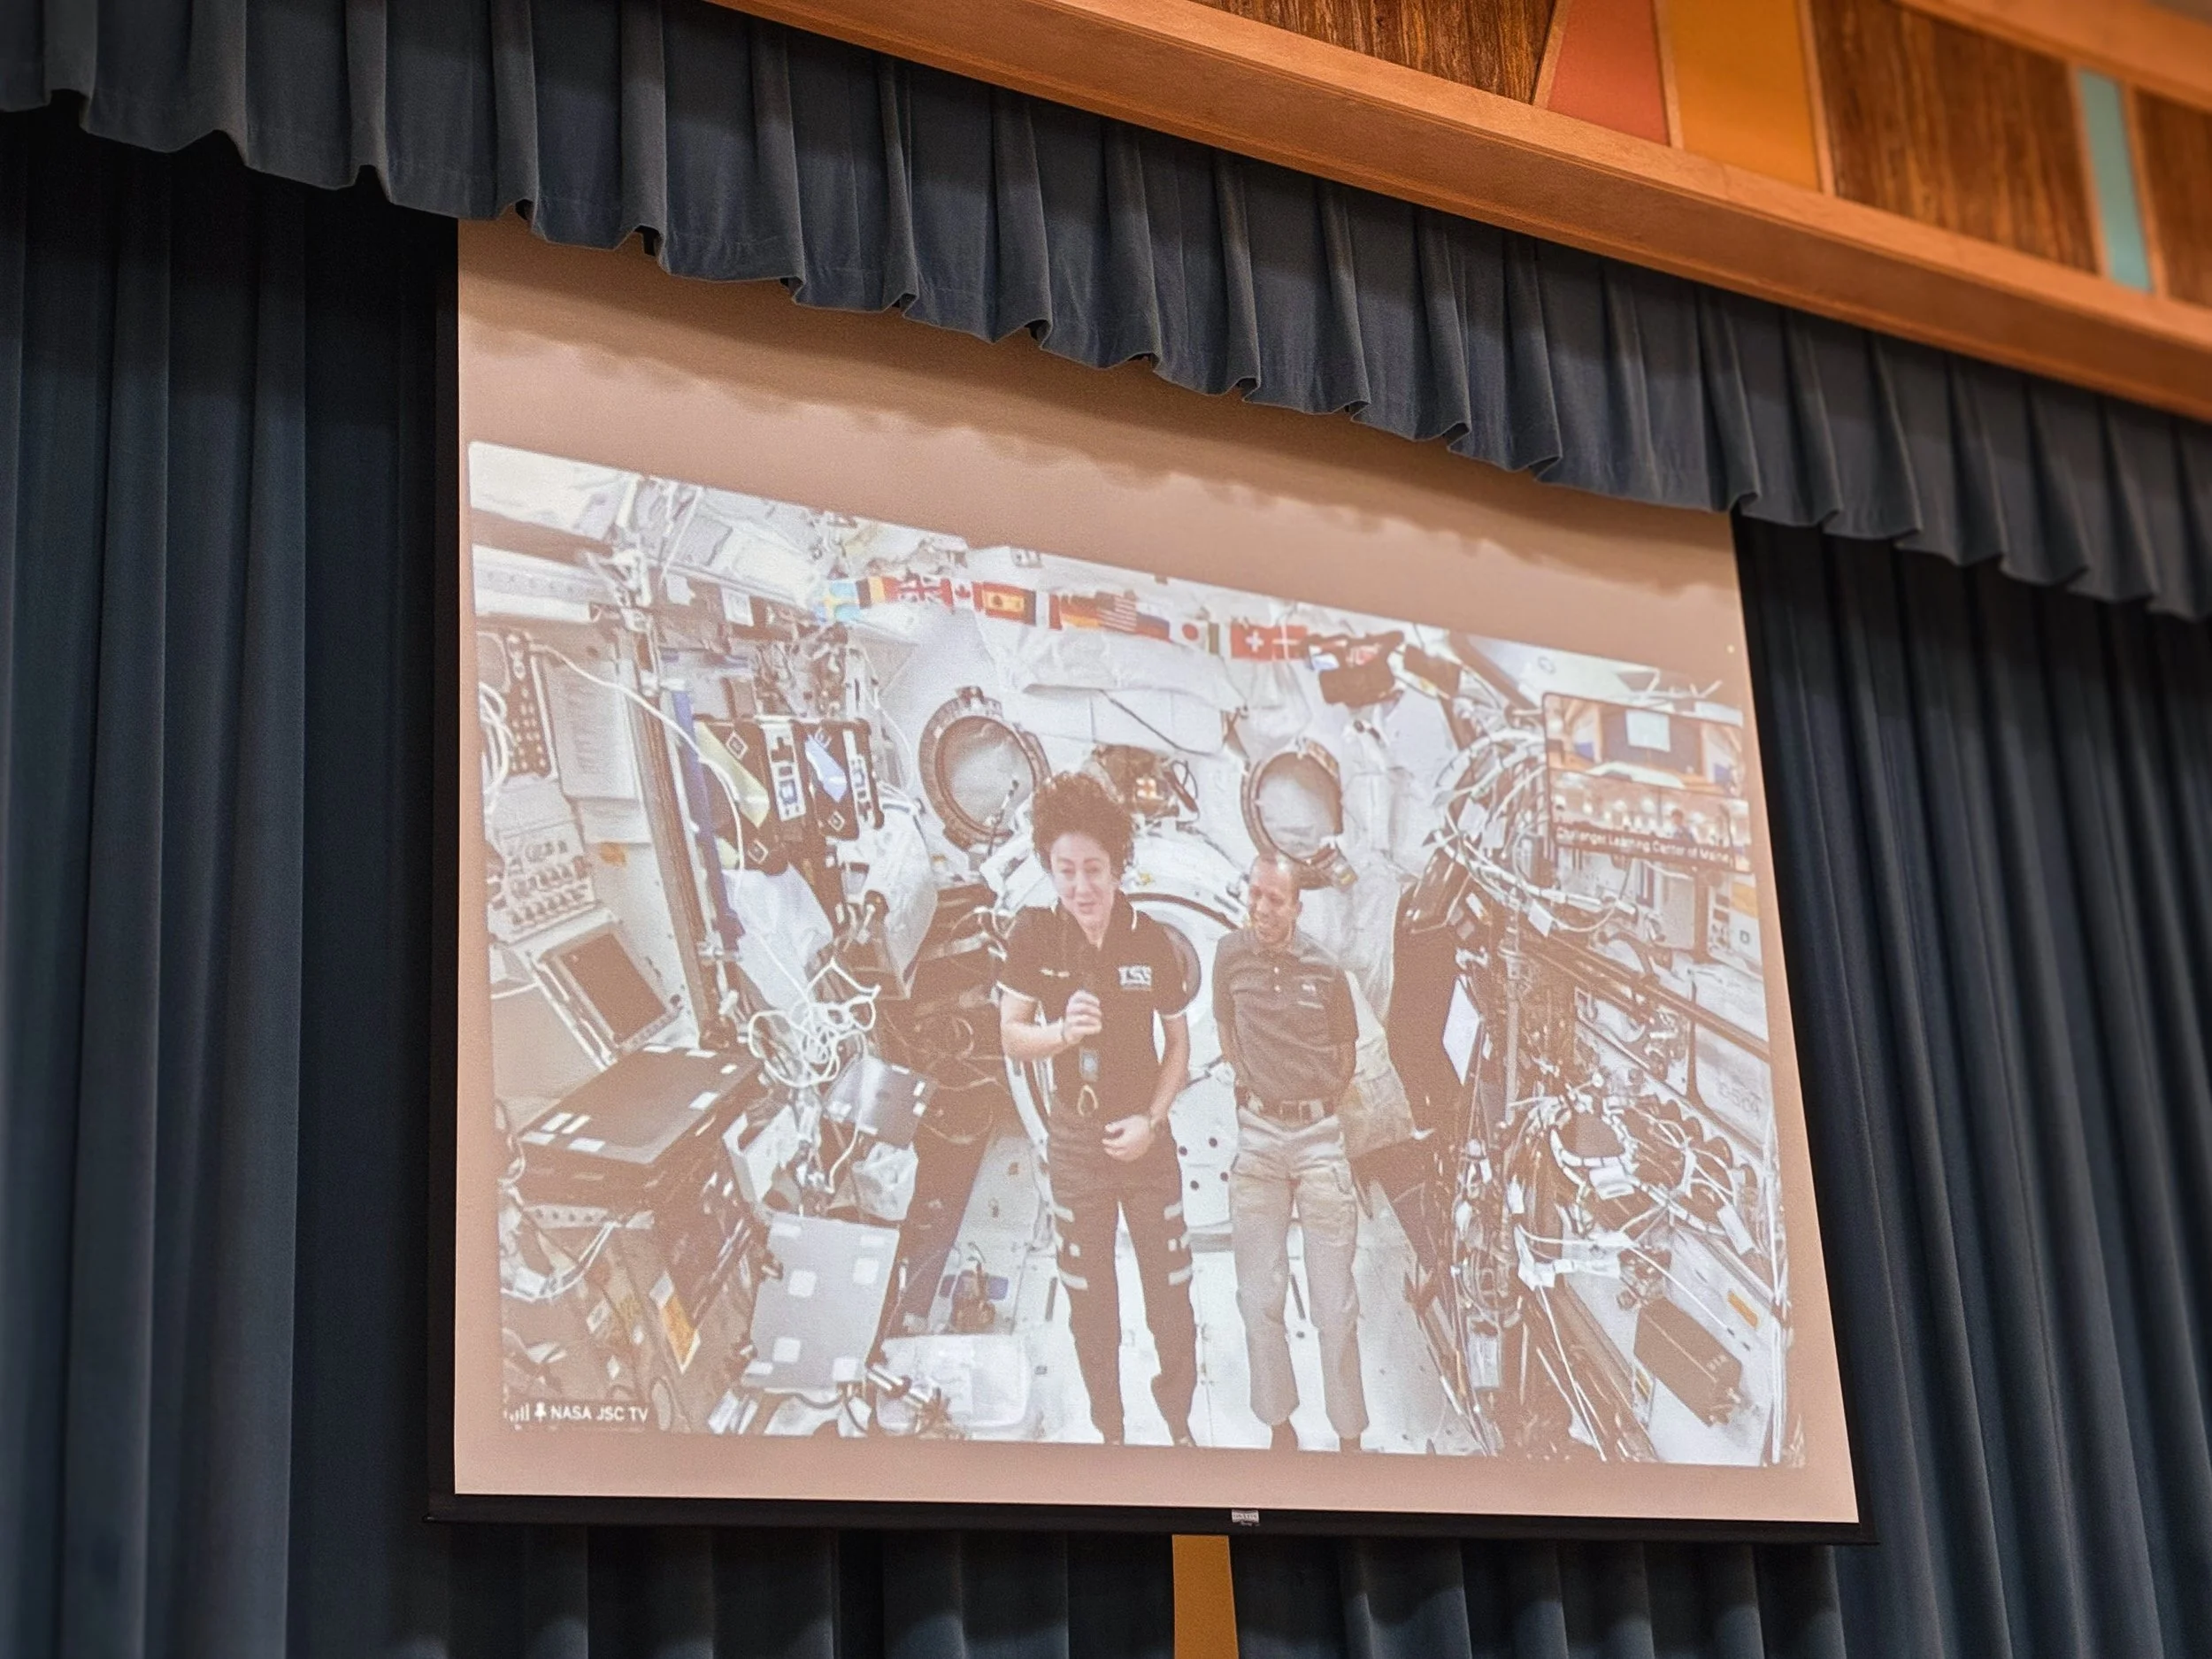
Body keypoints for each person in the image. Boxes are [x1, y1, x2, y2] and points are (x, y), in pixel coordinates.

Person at [998, 772, 1201, 1445]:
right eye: (1066, 870)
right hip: (1077, 1142)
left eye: (1093, 869)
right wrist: (1062, 1032)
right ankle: (1110, 1431)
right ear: (1049, 867)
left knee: (1170, 1294)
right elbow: (1011, 1034)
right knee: (1091, 1301)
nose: (1081, 886)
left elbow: (1178, 1044)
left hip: (1143, 1140)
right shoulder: (1033, 936)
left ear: (1118, 865)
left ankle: (1178, 1421)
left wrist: (1154, 1120)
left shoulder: (1152, 942)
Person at [1213, 851, 1368, 1452]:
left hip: (1319, 1138)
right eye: (1255, 894)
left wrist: (1309, 1101)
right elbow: (1228, 1032)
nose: (1261, 907)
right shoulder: (1229, 956)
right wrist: (1259, 1090)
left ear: (1297, 907)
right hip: (1258, 1138)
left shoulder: (1325, 971)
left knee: (1335, 1302)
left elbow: (1346, 1056)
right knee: (1258, 1292)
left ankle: (1349, 1432)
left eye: (1275, 899)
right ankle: (1280, 1423)